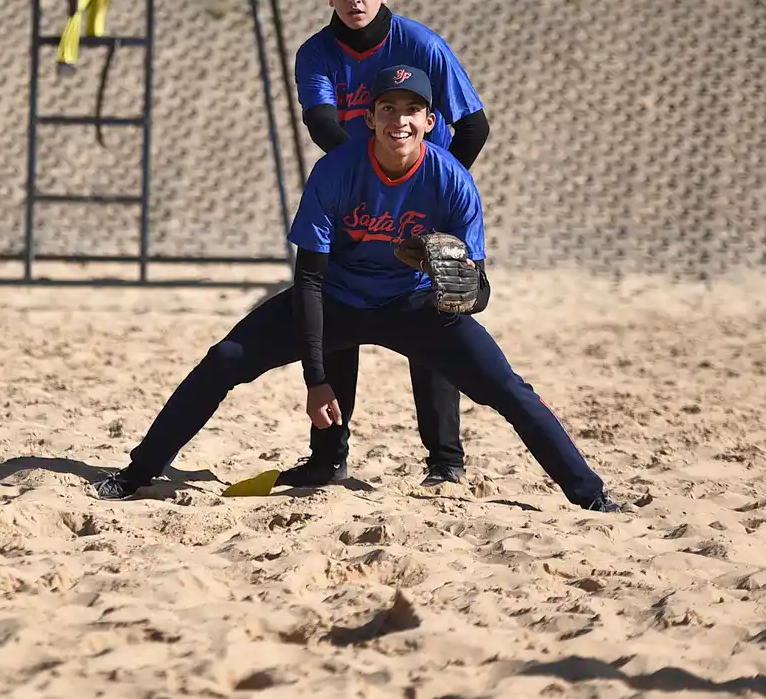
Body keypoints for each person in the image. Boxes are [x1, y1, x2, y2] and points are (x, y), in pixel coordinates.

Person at [92, 64, 621, 513]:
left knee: (507, 388)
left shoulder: (453, 180)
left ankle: (592, 496)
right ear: (369, 119)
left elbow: (477, 290)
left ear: (430, 122)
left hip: (411, 303)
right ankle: (136, 474)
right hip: (337, 297)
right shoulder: (336, 170)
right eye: (387, 108)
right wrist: (318, 378)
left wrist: (460, 294)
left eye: (411, 110)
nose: (399, 120)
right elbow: (310, 278)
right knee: (224, 359)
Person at [285, 0, 492, 491]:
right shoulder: (316, 53)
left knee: (435, 314)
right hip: (355, 204)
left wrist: (431, 189)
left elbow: (473, 126)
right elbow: (324, 126)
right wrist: (363, 184)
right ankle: (328, 459)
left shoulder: (421, 45)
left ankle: (445, 462)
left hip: (419, 204)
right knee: (336, 313)